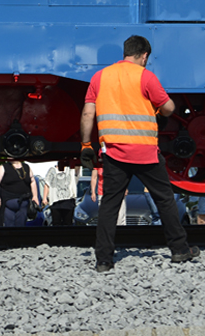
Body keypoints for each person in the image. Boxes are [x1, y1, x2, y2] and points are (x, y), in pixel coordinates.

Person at [79, 35, 198, 272]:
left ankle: (103, 260)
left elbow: (87, 114)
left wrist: (85, 145)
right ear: (144, 56)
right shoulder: (146, 76)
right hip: (146, 153)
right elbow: (169, 108)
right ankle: (179, 250)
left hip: (114, 153)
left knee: (110, 204)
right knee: (164, 199)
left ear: (125, 53)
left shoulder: (99, 77)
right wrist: (160, 108)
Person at [0, 159, 39, 227]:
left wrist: (35, 196)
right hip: (8, 203)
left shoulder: (26, 167)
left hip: (23, 203)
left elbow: (32, 181)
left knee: (21, 227)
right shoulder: (3, 167)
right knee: (9, 227)